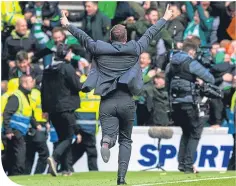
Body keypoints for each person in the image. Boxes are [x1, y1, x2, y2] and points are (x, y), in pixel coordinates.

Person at [61, 5, 173, 185]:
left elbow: (83, 37)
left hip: (106, 101)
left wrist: (67, 24)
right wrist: (165, 17)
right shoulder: (135, 48)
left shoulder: (98, 47)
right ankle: (121, 179)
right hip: (127, 101)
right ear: (126, 38)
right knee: (126, 140)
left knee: (109, 135)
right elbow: (150, 33)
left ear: (110, 38)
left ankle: (106, 142)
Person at [165, 39, 215, 173]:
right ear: (191, 51)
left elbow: (166, 82)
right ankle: (188, 165)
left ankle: (181, 163)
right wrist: (197, 80)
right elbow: (210, 78)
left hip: (175, 104)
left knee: (186, 132)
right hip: (189, 103)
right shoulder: (191, 63)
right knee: (195, 133)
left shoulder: (170, 64)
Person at [41, 43, 83, 177]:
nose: (71, 55)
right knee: (69, 137)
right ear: (65, 54)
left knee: (63, 138)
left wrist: (45, 110)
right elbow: (77, 86)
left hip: (53, 110)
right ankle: (54, 158)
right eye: (69, 53)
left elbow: (43, 91)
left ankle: (66, 169)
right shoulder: (67, 68)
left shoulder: (47, 69)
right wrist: (81, 78)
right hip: (66, 108)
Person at [2, 75, 36, 176]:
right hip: (14, 130)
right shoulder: (16, 96)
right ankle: (18, 175)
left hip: (19, 131)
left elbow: (29, 115)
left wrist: (35, 125)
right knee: (20, 154)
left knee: (10, 156)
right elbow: (7, 113)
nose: (33, 83)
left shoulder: (26, 96)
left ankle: (11, 174)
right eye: (30, 81)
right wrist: (8, 130)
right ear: (24, 84)